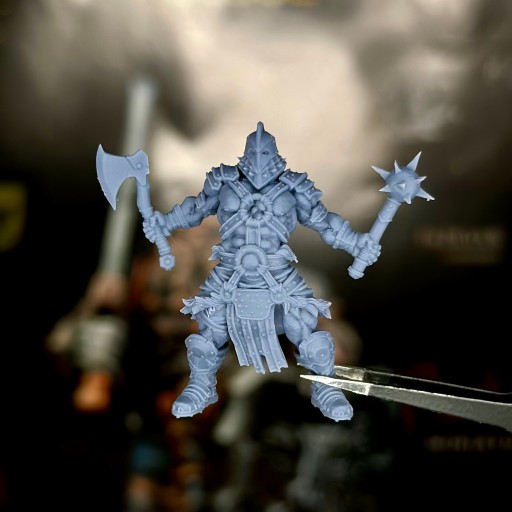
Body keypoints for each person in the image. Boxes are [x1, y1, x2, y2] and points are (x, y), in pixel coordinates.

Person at [142, 122, 381, 422]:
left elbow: (321, 220)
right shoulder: (223, 188)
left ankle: (327, 390)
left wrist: (354, 242)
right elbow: (193, 209)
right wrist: (164, 223)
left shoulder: (290, 190)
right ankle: (200, 385)